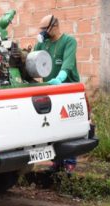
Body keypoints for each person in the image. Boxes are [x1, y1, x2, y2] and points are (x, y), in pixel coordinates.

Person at [34, 15, 79, 172]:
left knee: (69, 124)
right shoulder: (44, 44)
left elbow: (67, 64)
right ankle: (57, 161)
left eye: (44, 28)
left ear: (54, 26)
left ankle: (70, 161)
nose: (42, 32)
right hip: (49, 89)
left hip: (67, 88)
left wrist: (60, 78)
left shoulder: (69, 41)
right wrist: (37, 44)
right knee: (51, 124)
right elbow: (32, 60)